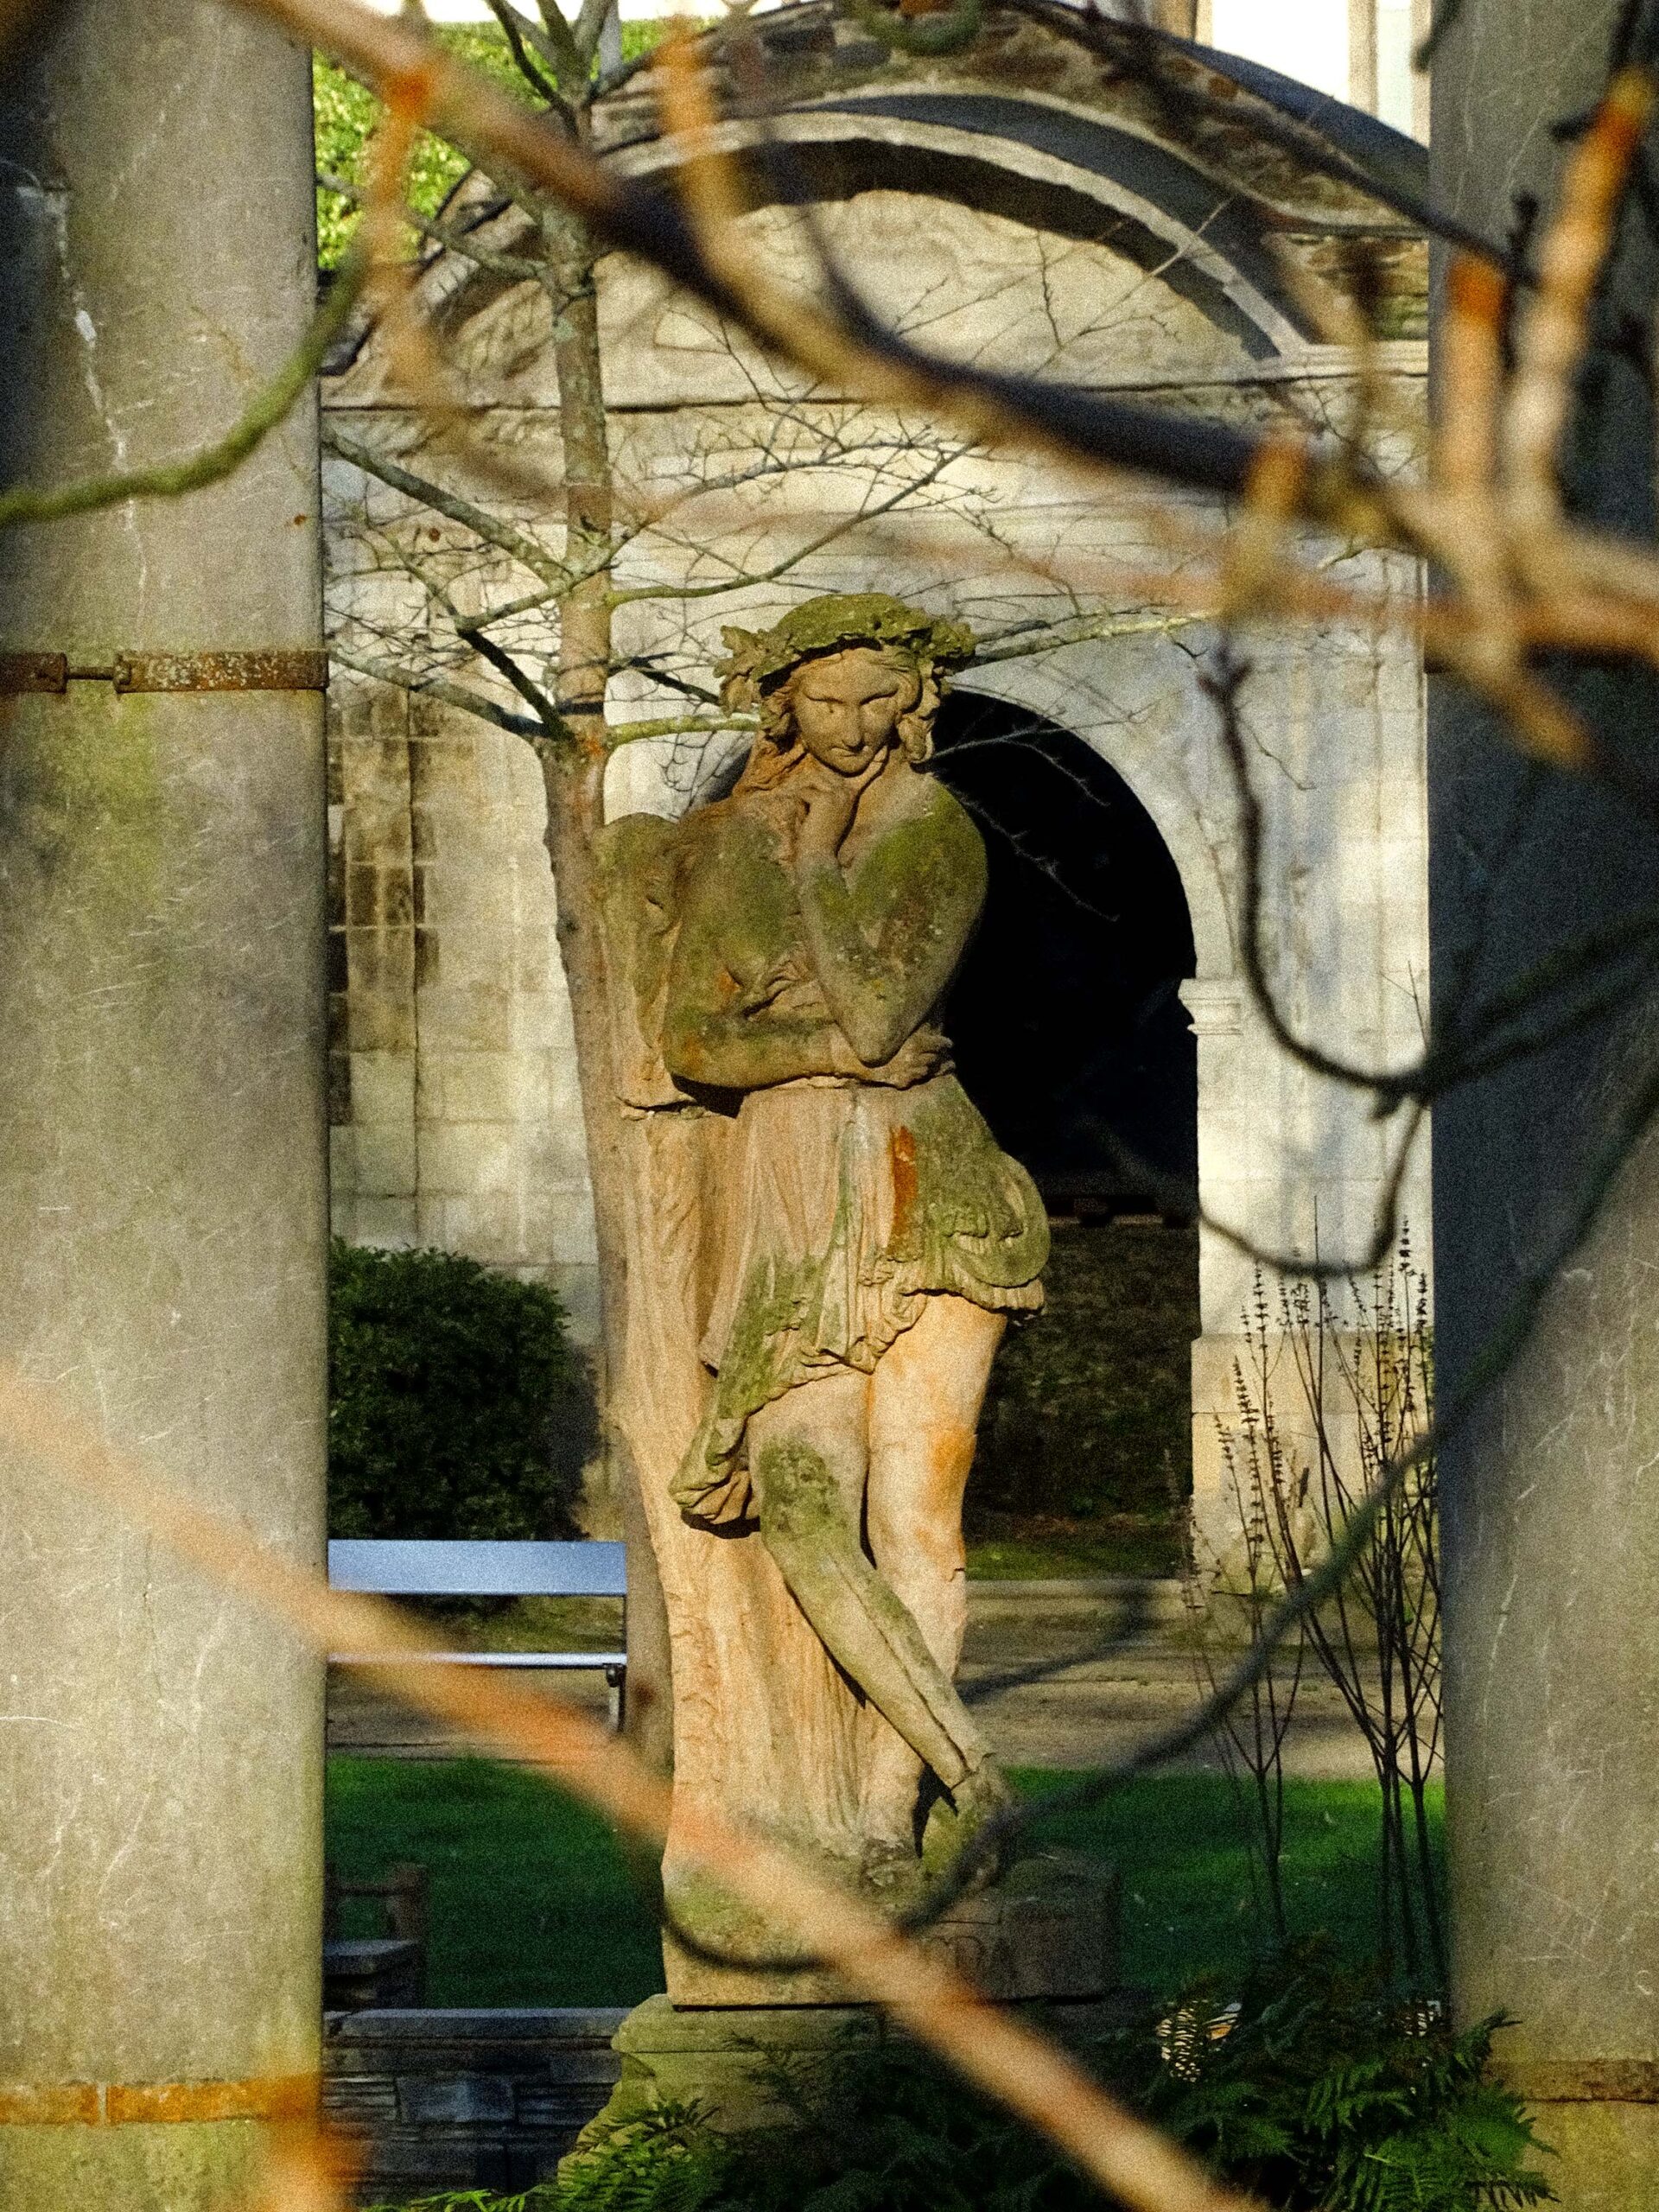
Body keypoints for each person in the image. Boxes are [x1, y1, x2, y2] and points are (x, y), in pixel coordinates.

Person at [654, 594, 1048, 1890]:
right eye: (827, 699)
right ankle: (978, 1778)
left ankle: (887, 1818)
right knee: (808, 1513)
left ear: (914, 704)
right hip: (788, 1204)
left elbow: (888, 1017)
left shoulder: (939, 833)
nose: (853, 724)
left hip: (927, 1193)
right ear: (786, 706)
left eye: (879, 697)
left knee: (917, 1522)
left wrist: (821, 868)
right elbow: (693, 1040)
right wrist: (824, 1043)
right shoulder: (735, 846)